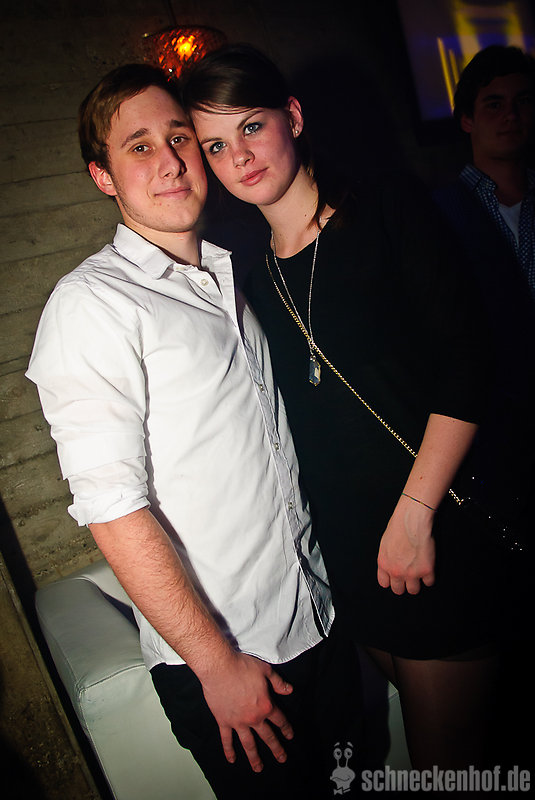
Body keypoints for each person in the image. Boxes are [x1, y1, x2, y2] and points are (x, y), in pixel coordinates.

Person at [25, 63, 362, 799]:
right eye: (139, 146)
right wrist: (217, 666)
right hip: (234, 664)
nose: (171, 161)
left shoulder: (232, 269)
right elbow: (112, 507)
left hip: (320, 622)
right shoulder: (93, 305)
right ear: (103, 177)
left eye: (180, 137)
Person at [181, 43, 511, 770]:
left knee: (446, 771)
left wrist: (415, 515)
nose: (239, 156)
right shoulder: (246, 272)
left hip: (429, 530)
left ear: (292, 118)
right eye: (215, 145)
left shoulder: (386, 207)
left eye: (250, 126)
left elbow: (468, 365)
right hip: (346, 555)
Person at [433, 45, 535, 527]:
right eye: (494, 103)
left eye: (523, 101)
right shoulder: (438, 212)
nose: (511, 115)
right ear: (467, 119)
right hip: (499, 435)